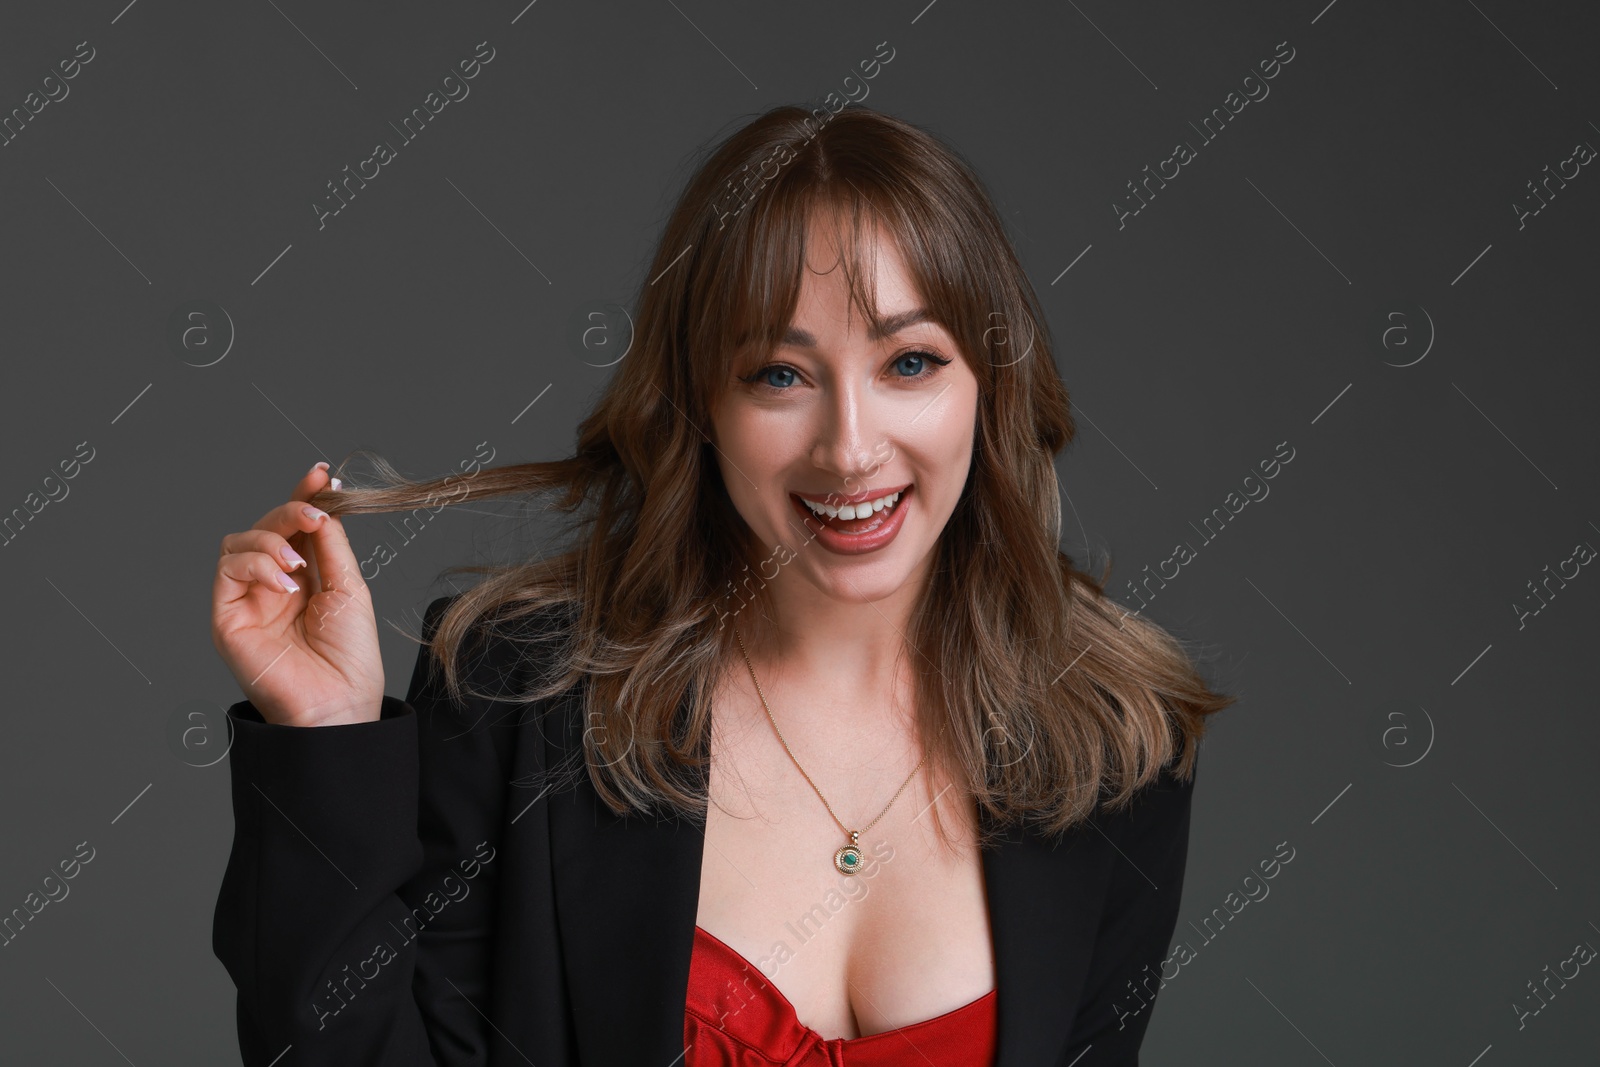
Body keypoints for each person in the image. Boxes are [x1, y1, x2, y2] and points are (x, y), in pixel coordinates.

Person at [210, 103, 1234, 1066]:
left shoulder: (1111, 743)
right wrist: (327, 737)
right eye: (779, 375)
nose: (849, 447)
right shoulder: (525, 693)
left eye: (910, 363)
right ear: (698, 403)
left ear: (989, 385)